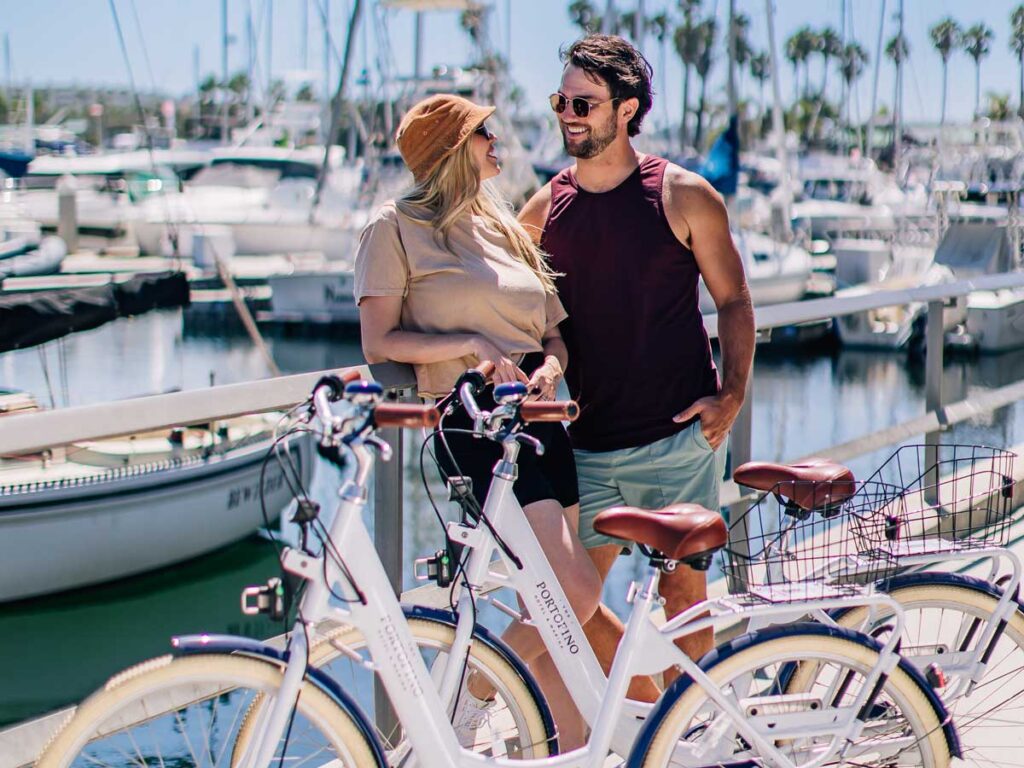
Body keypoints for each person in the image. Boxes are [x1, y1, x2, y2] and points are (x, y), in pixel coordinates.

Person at [353, 93, 601, 747]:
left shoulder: (506, 228)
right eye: (483, 132)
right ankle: (466, 693)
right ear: (451, 150)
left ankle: (575, 754)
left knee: (550, 611)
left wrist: (550, 365)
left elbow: (555, 336)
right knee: (574, 594)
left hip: (543, 420)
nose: (498, 140)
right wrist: (474, 344)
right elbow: (380, 342)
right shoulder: (395, 228)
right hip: (474, 425)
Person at [519, 35, 756, 694]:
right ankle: (659, 714)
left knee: (686, 601)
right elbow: (516, 312)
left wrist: (731, 393)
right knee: (572, 604)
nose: (568, 113)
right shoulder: (541, 212)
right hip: (586, 446)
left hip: (678, 440)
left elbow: (734, 300)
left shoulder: (684, 195)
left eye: (584, 102)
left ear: (626, 109)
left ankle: (687, 725)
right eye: (561, 101)